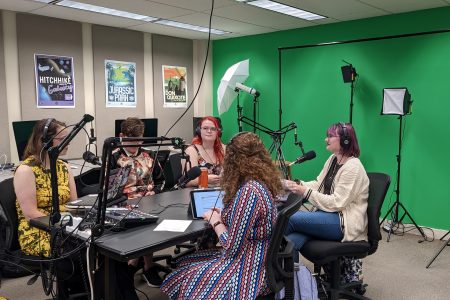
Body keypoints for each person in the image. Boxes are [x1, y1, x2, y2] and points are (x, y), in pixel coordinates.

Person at [161, 132, 283, 299]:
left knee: (181, 277)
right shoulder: (260, 182)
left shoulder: (249, 192)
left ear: (234, 160)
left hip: (248, 268)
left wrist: (216, 222)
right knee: (184, 262)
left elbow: (232, 247)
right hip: (258, 258)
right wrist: (226, 216)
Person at [14, 118, 87, 298]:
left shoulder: (64, 167)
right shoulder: (26, 170)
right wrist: (66, 226)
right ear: (45, 140)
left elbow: (73, 204)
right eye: (63, 137)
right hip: (37, 229)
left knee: (98, 246)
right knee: (77, 252)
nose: (68, 141)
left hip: (65, 226)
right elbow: (31, 214)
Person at [283, 122, 369, 255]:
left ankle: (267, 262)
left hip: (345, 223)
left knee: (290, 218)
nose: (326, 139)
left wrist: (304, 191)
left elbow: (337, 203)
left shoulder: (353, 167)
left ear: (345, 141)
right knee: (290, 242)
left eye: (330, 136)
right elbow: (319, 185)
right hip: (327, 214)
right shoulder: (333, 159)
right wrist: (297, 185)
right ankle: (288, 274)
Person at [110, 117, 167, 287]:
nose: (136, 143)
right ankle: (136, 264)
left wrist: (154, 193)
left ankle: (145, 266)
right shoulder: (113, 157)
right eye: (131, 139)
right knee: (140, 227)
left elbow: (161, 180)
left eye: (139, 139)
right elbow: (109, 188)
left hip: (149, 201)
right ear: (121, 136)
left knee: (152, 223)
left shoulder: (149, 156)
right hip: (124, 203)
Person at [184, 116, 225, 187]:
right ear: (199, 131)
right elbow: (187, 182)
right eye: (205, 128)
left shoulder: (224, 149)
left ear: (218, 132)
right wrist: (205, 179)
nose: (209, 131)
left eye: (213, 129)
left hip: (221, 192)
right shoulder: (192, 150)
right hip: (199, 193)